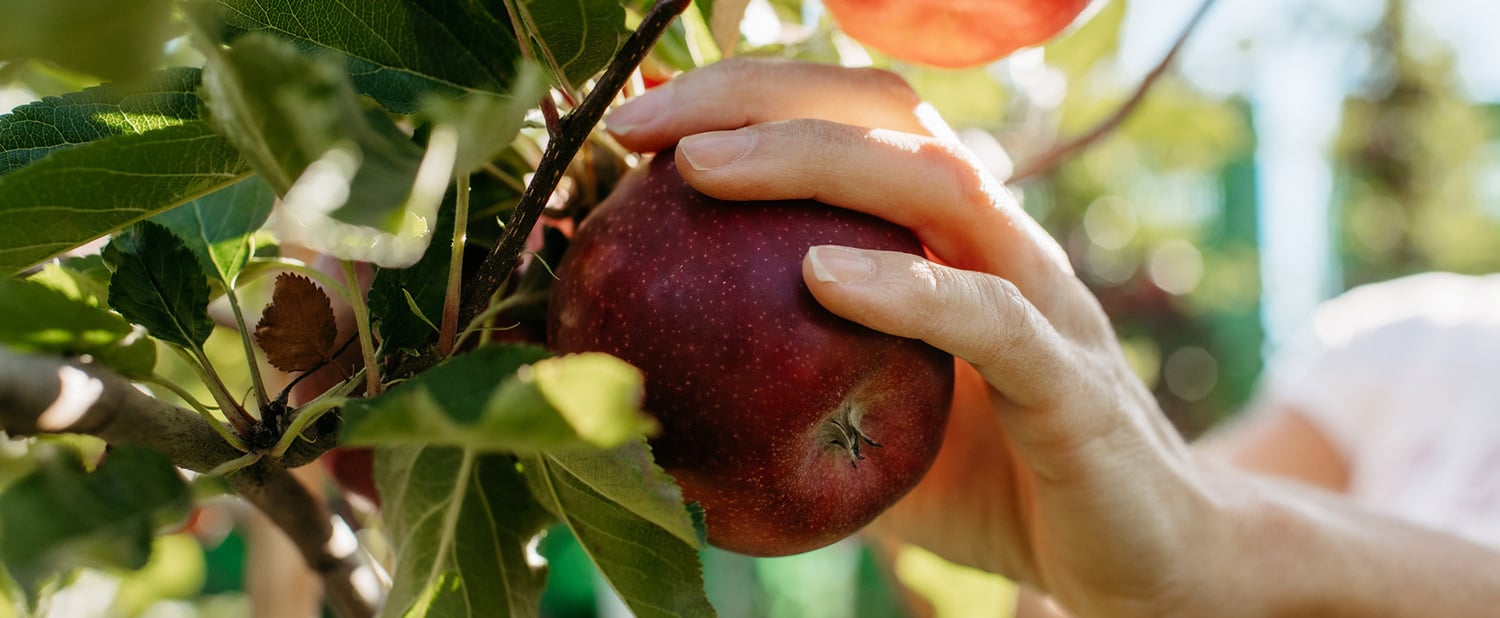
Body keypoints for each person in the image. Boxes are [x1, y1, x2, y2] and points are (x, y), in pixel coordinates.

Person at [601, 58, 1500, 616]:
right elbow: (1153, 566)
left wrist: (1217, 551)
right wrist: (1060, 562)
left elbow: (1208, 553)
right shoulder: (1425, 350)